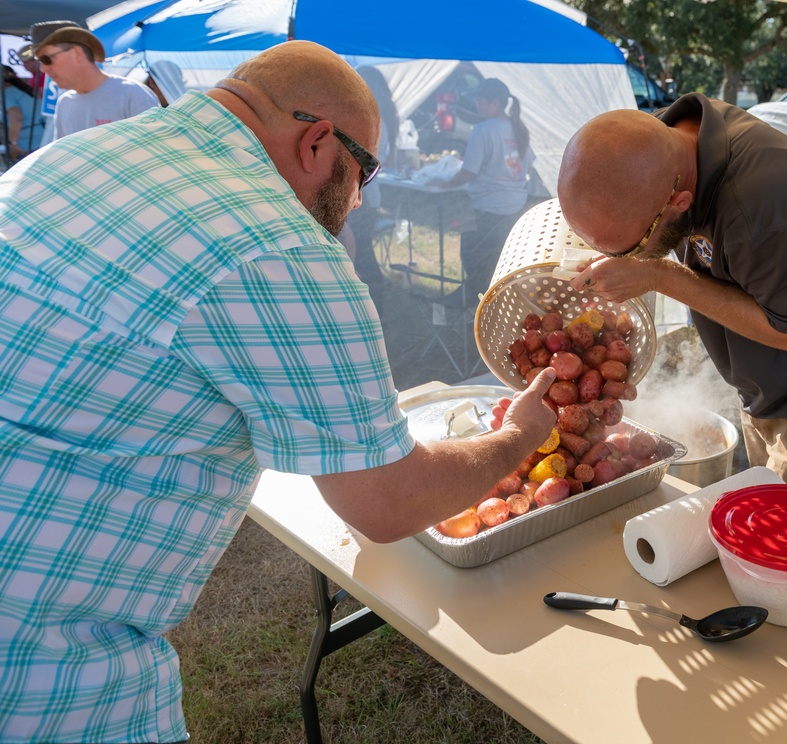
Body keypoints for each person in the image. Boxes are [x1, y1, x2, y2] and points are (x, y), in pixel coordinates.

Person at [0, 40, 556, 743]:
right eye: (363, 174)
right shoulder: (282, 246)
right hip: (47, 676)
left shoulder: (69, 158)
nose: (355, 203)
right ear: (320, 141)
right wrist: (518, 439)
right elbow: (388, 501)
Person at [558, 96, 787, 502]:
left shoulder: (765, 203)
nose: (623, 260)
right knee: (758, 516)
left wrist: (657, 273)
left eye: (630, 248)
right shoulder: (664, 140)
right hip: (767, 391)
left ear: (679, 202)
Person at [430, 77, 535, 304]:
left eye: (481, 100)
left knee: (480, 258)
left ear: (494, 103)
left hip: (491, 207)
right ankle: (499, 301)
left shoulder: (483, 130)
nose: (477, 105)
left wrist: (443, 182)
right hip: (516, 207)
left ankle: (481, 302)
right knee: (501, 258)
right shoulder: (518, 128)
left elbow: (469, 172)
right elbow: (527, 164)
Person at [21, 20, 158, 139]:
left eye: (46, 59)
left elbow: (157, 152)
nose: (43, 69)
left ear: (77, 53)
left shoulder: (132, 94)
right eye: (39, 62)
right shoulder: (64, 103)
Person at [345, 65, 399, 314]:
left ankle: (374, 305)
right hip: (367, 197)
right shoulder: (381, 117)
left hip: (363, 198)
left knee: (362, 255)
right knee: (360, 253)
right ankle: (373, 302)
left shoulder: (371, 119)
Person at [1, 65, 44, 162]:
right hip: (40, 140)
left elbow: (16, 119)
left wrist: (13, 143)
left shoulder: (7, 93)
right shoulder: (18, 90)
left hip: (31, 144)